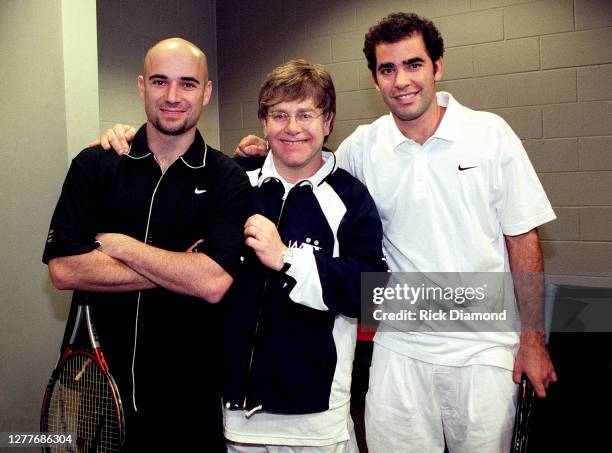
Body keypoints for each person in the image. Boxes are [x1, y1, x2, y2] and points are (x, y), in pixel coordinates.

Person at [233, 12, 558, 453]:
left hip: (485, 349)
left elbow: (523, 239)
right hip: (398, 347)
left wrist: (533, 342)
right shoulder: (363, 147)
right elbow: (307, 164)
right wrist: (261, 152)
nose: (401, 80)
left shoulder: (490, 135)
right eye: (388, 69)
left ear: (437, 67)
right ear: (375, 79)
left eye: (414, 64)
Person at [97, 59, 387, 452]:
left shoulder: (350, 197)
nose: (293, 128)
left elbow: (373, 292)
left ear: (328, 120)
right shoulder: (232, 181)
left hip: (316, 420)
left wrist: (287, 258)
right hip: (233, 415)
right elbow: (171, 224)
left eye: (306, 114)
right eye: (279, 115)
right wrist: (128, 139)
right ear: (264, 123)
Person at [43, 37, 251, 451]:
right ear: (142, 87)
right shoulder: (95, 165)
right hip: (98, 401)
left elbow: (212, 283)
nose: (173, 96)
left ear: (206, 92)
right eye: (160, 82)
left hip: (189, 411)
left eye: (188, 84)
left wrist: (118, 245)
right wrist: (182, 269)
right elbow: (65, 269)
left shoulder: (227, 179)